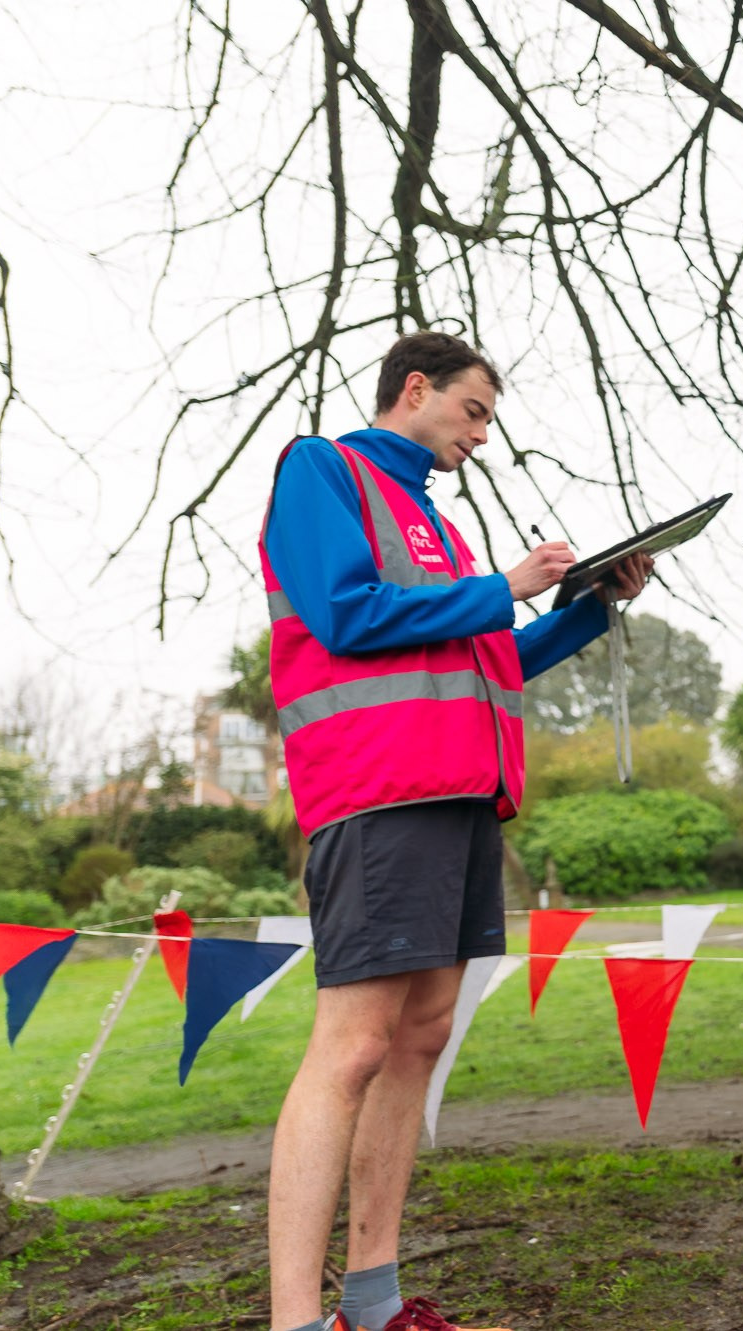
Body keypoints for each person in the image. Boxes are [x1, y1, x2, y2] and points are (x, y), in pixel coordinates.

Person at [259, 331, 652, 1331]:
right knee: (351, 1046)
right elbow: (345, 615)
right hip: (378, 791)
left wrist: (584, 607)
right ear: (416, 387)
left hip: (461, 795)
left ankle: (376, 1298)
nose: (481, 435)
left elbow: (484, 660)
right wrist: (508, 584)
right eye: (473, 411)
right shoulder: (320, 467)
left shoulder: (435, 529)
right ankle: (296, 1320)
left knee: (420, 1037)